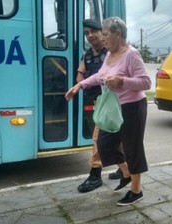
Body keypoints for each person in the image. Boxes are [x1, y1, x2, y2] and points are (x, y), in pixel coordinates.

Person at [65, 16, 151, 206]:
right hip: (114, 108)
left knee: (132, 148)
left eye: (105, 34)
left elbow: (146, 82)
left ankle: (136, 190)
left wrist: (122, 82)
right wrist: (80, 85)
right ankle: (127, 173)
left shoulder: (132, 54)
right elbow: (99, 75)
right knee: (104, 144)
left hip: (132, 108)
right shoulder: (110, 55)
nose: (103, 38)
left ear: (117, 34)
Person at [76, 19, 122, 193]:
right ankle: (122, 168)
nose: (89, 36)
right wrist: (82, 83)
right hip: (98, 101)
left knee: (102, 137)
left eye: (93, 32)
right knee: (110, 137)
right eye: (86, 33)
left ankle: (96, 174)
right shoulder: (87, 55)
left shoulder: (111, 53)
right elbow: (80, 74)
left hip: (113, 102)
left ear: (103, 33)